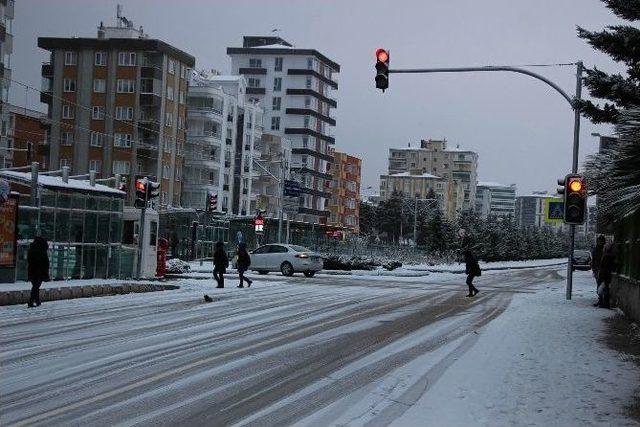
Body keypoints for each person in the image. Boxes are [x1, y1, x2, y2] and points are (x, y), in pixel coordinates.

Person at [27, 236, 50, 308]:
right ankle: (31, 301)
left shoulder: (32, 249)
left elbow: (29, 260)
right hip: (39, 271)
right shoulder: (42, 251)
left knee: (35, 285)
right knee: (36, 286)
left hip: (32, 270)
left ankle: (37, 300)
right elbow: (46, 262)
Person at [596, 242, 616, 308]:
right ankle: (604, 303)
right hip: (606, 275)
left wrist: (602, 276)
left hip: (604, 275)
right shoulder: (611, 256)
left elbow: (604, 267)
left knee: (603, 289)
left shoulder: (606, 256)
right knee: (605, 289)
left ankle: (604, 303)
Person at [590, 235, 606, 305]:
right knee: (599, 285)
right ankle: (600, 299)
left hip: (604, 269)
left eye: (601, 241)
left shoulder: (605, 249)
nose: (600, 242)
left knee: (603, 285)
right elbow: (593, 260)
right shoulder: (595, 249)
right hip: (597, 269)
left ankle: (603, 300)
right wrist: (593, 269)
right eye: (599, 241)